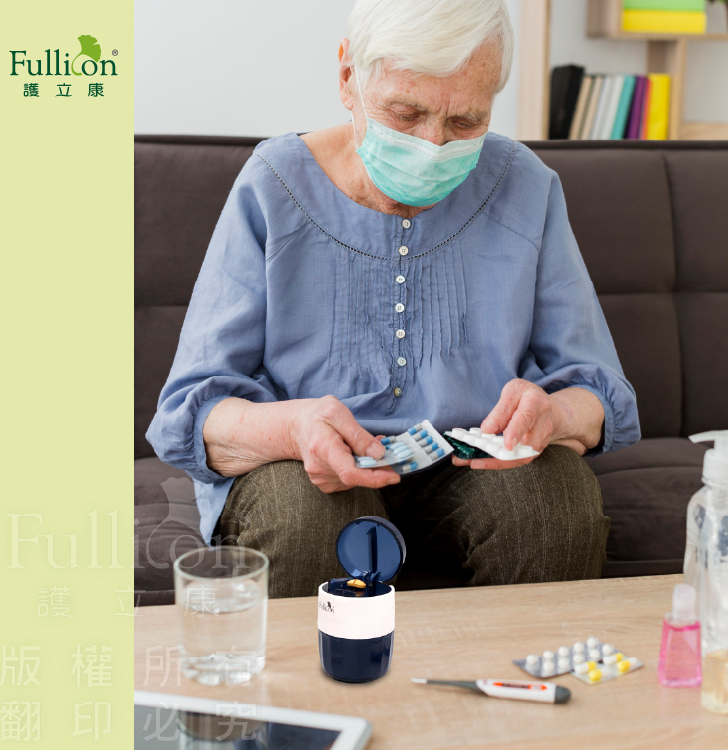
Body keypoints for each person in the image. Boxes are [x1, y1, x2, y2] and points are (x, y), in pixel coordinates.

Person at [147, 0, 640, 598]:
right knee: (306, 517)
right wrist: (295, 429)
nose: (432, 146)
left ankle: (519, 664)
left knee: (552, 504)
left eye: (466, 121)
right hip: (302, 470)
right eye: (406, 114)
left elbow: (597, 391)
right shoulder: (273, 184)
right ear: (348, 78)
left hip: (472, 470)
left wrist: (555, 415)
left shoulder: (526, 186)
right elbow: (194, 408)